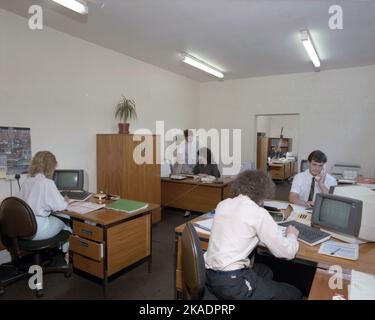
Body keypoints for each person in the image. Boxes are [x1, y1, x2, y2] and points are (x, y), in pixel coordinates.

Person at [205, 170, 303, 300]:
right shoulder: (259, 213)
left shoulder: (223, 204)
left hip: (209, 275)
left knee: (266, 271)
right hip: (233, 283)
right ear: (264, 192)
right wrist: (291, 235)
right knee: (294, 293)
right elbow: (287, 252)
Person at [17, 151, 71, 263]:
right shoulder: (47, 183)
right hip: (38, 230)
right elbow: (60, 207)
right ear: (50, 166)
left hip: (24, 229)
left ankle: (63, 252)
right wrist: (65, 200)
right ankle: (66, 254)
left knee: (57, 218)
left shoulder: (27, 182)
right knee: (67, 221)